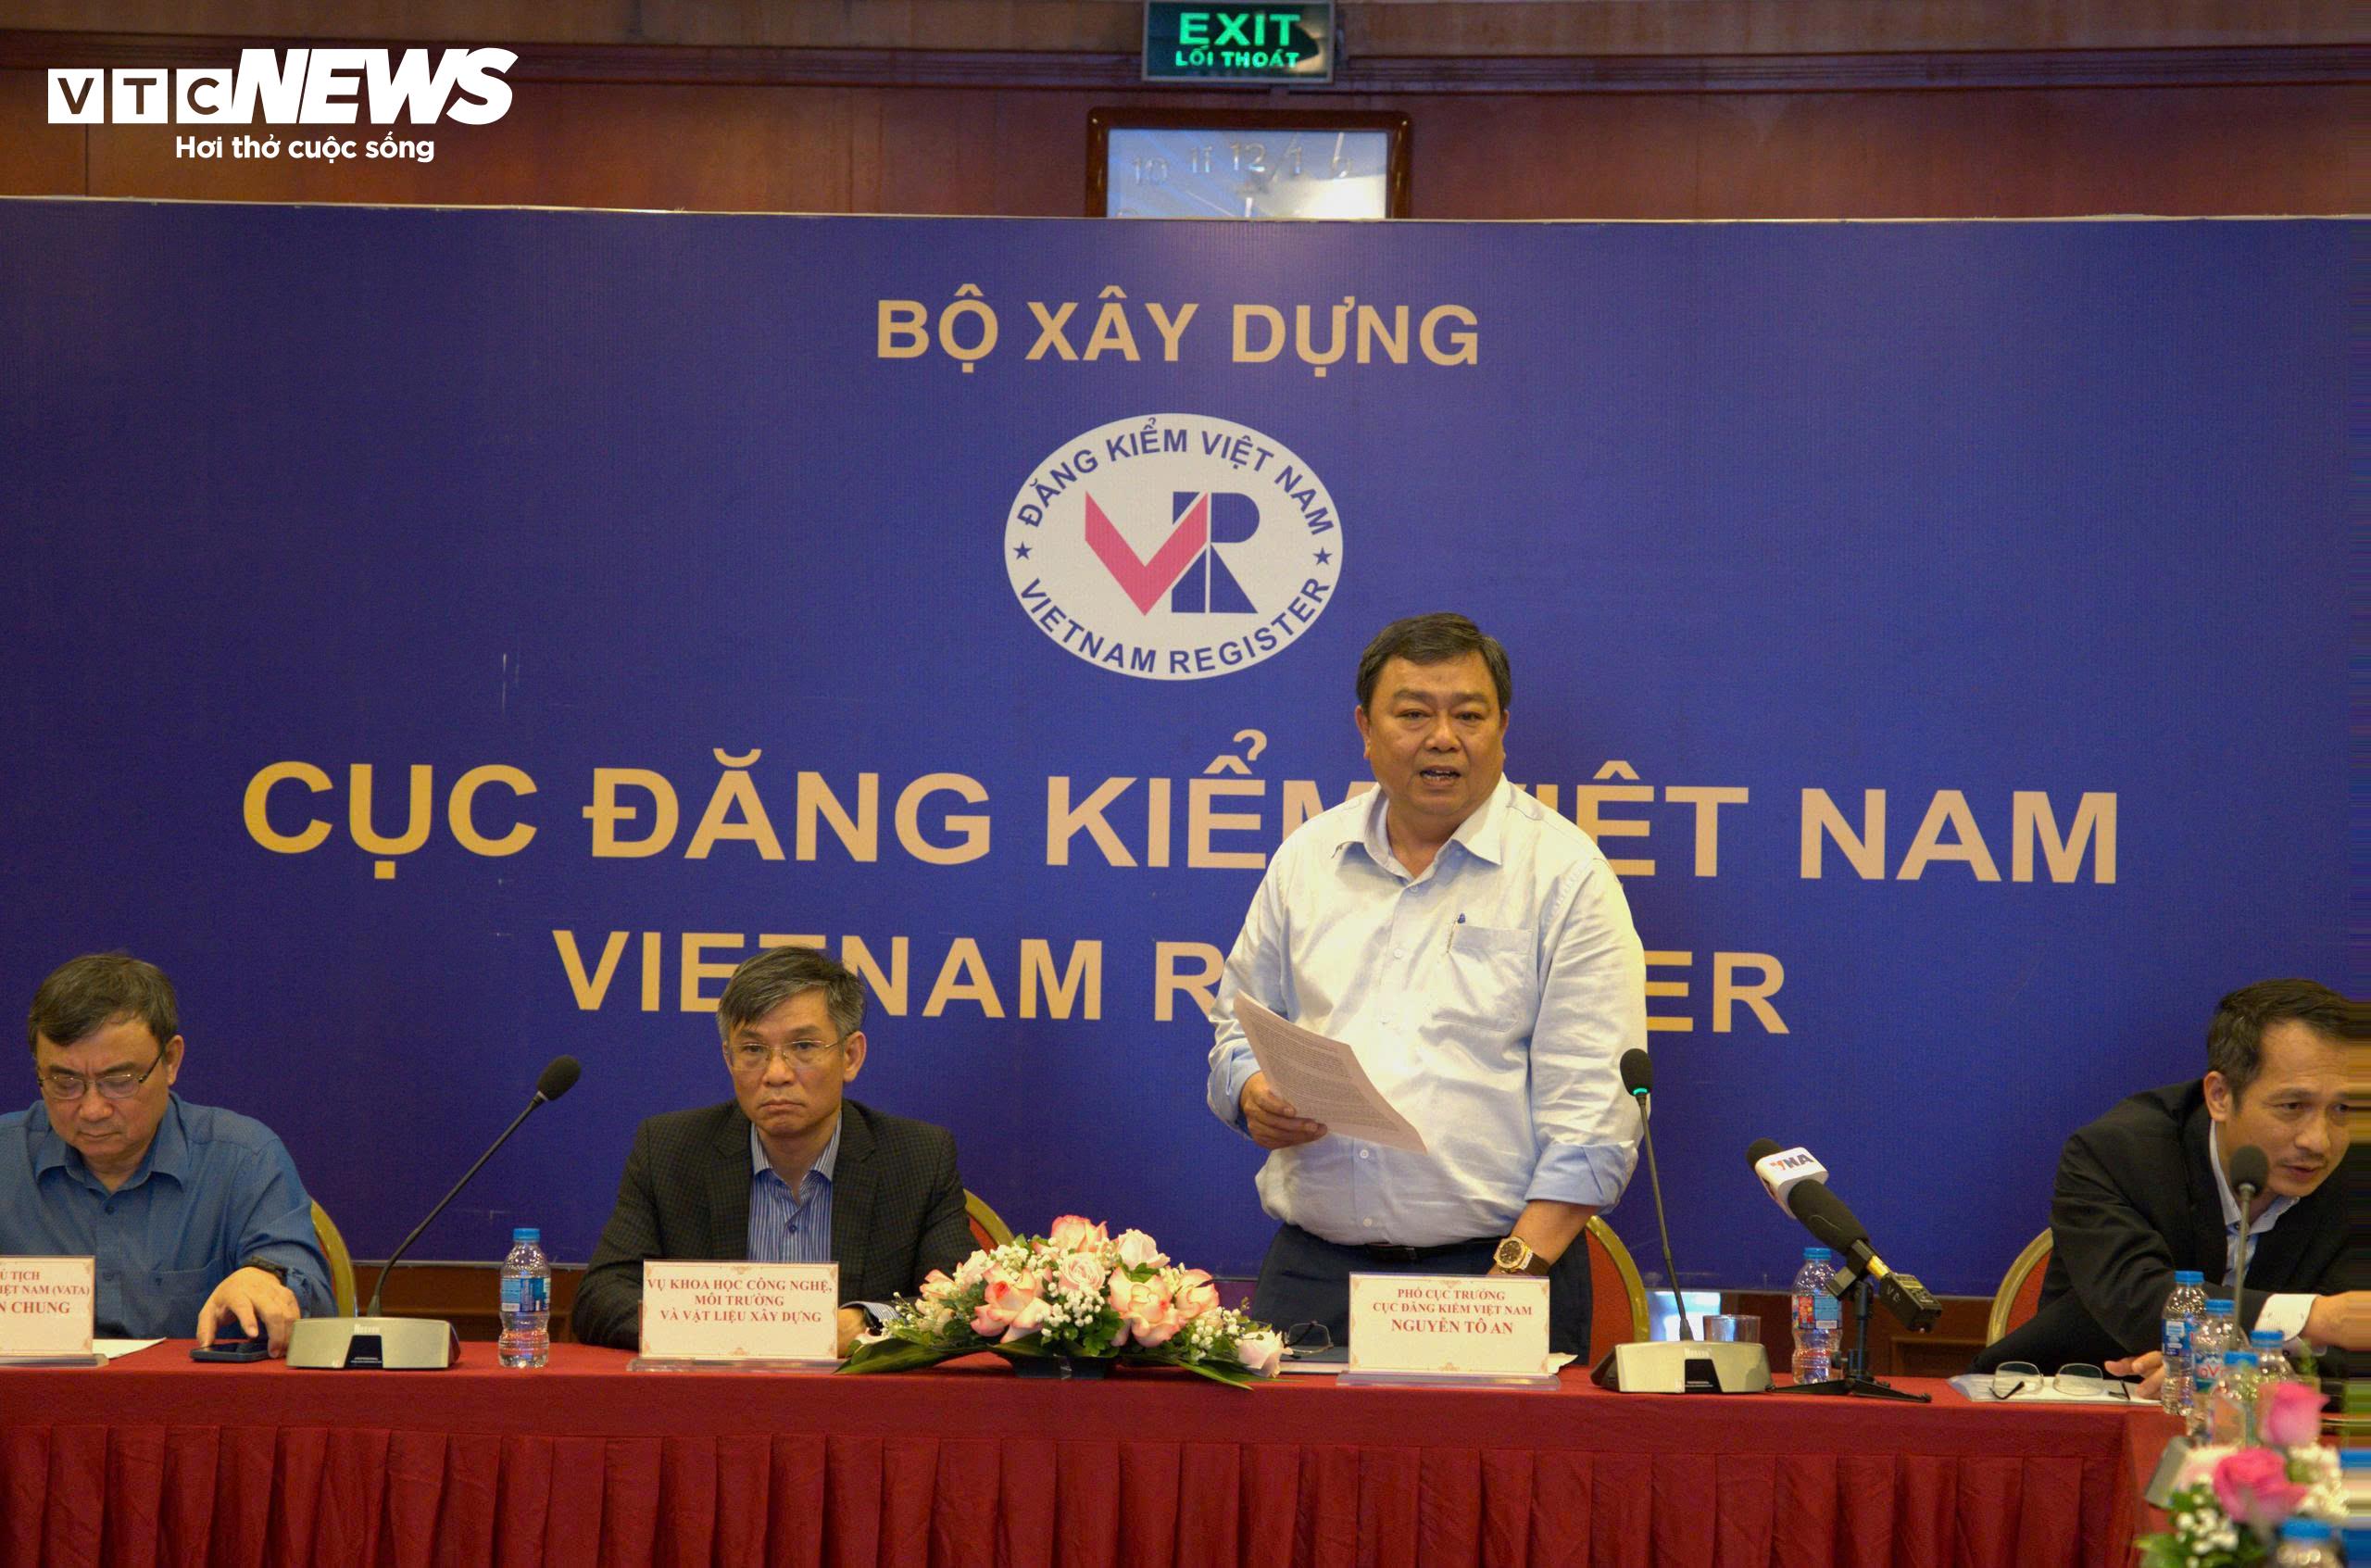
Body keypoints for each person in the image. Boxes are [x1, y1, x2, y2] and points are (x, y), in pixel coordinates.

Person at [1204, 612, 1646, 1357]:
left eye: (1468, 715)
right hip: (1314, 1275)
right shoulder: (1308, 859)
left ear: (1502, 727)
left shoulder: (1566, 876)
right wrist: (1254, 1094)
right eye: (1413, 714)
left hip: (1496, 1275)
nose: (1443, 737)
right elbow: (1238, 1029)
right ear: (1365, 728)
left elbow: (1596, 1118)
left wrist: (1512, 1276)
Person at [572, 945, 973, 1355]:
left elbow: (958, 1304)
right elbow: (600, 1298)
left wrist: (866, 1322)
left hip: (851, 1394)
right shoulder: (669, 1151)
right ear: (729, 1058)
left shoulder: (919, 1158)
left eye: (803, 1047)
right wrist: (717, 1327)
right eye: (753, 1050)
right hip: (716, 1392)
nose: (776, 1074)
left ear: (850, 1056)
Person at [1974, 978, 2365, 1386]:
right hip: (2085, 1394)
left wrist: (2239, 1369)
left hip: (2278, 1412)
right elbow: (2137, 1298)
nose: (2318, 1141)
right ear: (2220, 1096)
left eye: (2343, 1108)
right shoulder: (2116, 1154)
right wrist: (2319, 1318)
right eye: (2293, 1106)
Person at [0, 953, 333, 1353]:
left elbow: (309, 1295)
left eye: (119, 1080)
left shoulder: (243, 1158)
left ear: (171, 1061)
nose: (92, 1109)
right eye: (64, 1082)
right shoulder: (7, 1157)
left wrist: (265, 1280)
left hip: (199, 1393)